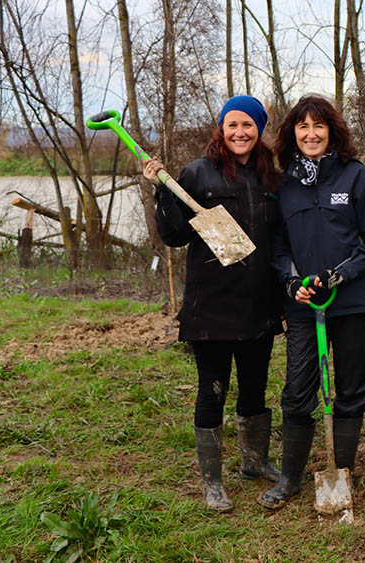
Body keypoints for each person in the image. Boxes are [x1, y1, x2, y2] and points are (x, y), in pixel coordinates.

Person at [143, 95, 284, 512]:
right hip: (212, 305)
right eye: (232, 125)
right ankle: (212, 481)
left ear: (260, 130)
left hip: (258, 301)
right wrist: (162, 192)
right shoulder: (197, 173)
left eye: (248, 125)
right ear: (221, 128)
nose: (239, 133)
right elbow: (173, 236)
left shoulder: (270, 178)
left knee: (255, 388)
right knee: (213, 389)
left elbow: (278, 240)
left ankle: (255, 462)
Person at [258, 95, 365, 510]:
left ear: (332, 131)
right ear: (292, 135)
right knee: (297, 392)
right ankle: (290, 478)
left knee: (352, 389)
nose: (311, 134)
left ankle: (342, 475)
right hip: (304, 307)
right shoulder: (284, 186)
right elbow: (277, 247)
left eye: (319, 126)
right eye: (303, 127)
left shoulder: (356, 177)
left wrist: (341, 274)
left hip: (353, 304)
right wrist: (290, 280)